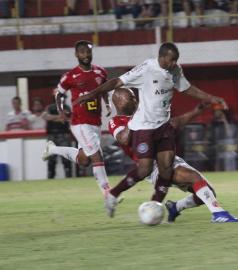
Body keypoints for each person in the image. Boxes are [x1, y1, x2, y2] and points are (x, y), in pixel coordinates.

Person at [74, 42, 227, 217]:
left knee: (207, 192)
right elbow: (118, 84)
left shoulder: (175, 71)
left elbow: (186, 90)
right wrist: (91, 94)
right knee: (181, 176)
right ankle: (119, 195)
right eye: (170, 60)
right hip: (149, 147)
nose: (173, 64)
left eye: (175, 60)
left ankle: (173, 207)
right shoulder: (119, 119)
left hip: (163, 132)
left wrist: (210, 99)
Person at [108, 87, 238, 222]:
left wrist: (197, 111)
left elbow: (175, 123)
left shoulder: (148, 114)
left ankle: (175, 207)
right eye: (130, 98)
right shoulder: (116, 121)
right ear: (118, 102)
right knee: (194, 177)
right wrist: (137, 117)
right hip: (152, 165)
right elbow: (123, 139)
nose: (135, 100)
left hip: (169, 157)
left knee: (208, 193)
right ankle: (219, 214)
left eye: (135, 97)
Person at [42, 40, 112, 197]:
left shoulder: (101, 72)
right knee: (96, 155)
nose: (86, 55)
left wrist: (108, 104)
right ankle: (107, 192)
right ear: (76, 54)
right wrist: (60, 111)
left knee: (84, 160)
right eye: (82, 52)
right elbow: (59, 93)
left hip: (95, 122)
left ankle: (52, 149)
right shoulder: (70, 76)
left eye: (88, 51)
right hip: (80, 122)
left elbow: (105, 89)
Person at [43, 92, 73, 179]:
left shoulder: (66, 107)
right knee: (51, 159)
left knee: (66, 158)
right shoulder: (50, 107)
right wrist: (58, 117)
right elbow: (45, 116)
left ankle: (69, 177)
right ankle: (50, 178)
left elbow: (67, 118)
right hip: (51, 135)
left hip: (64, 135)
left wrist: (57, 118)